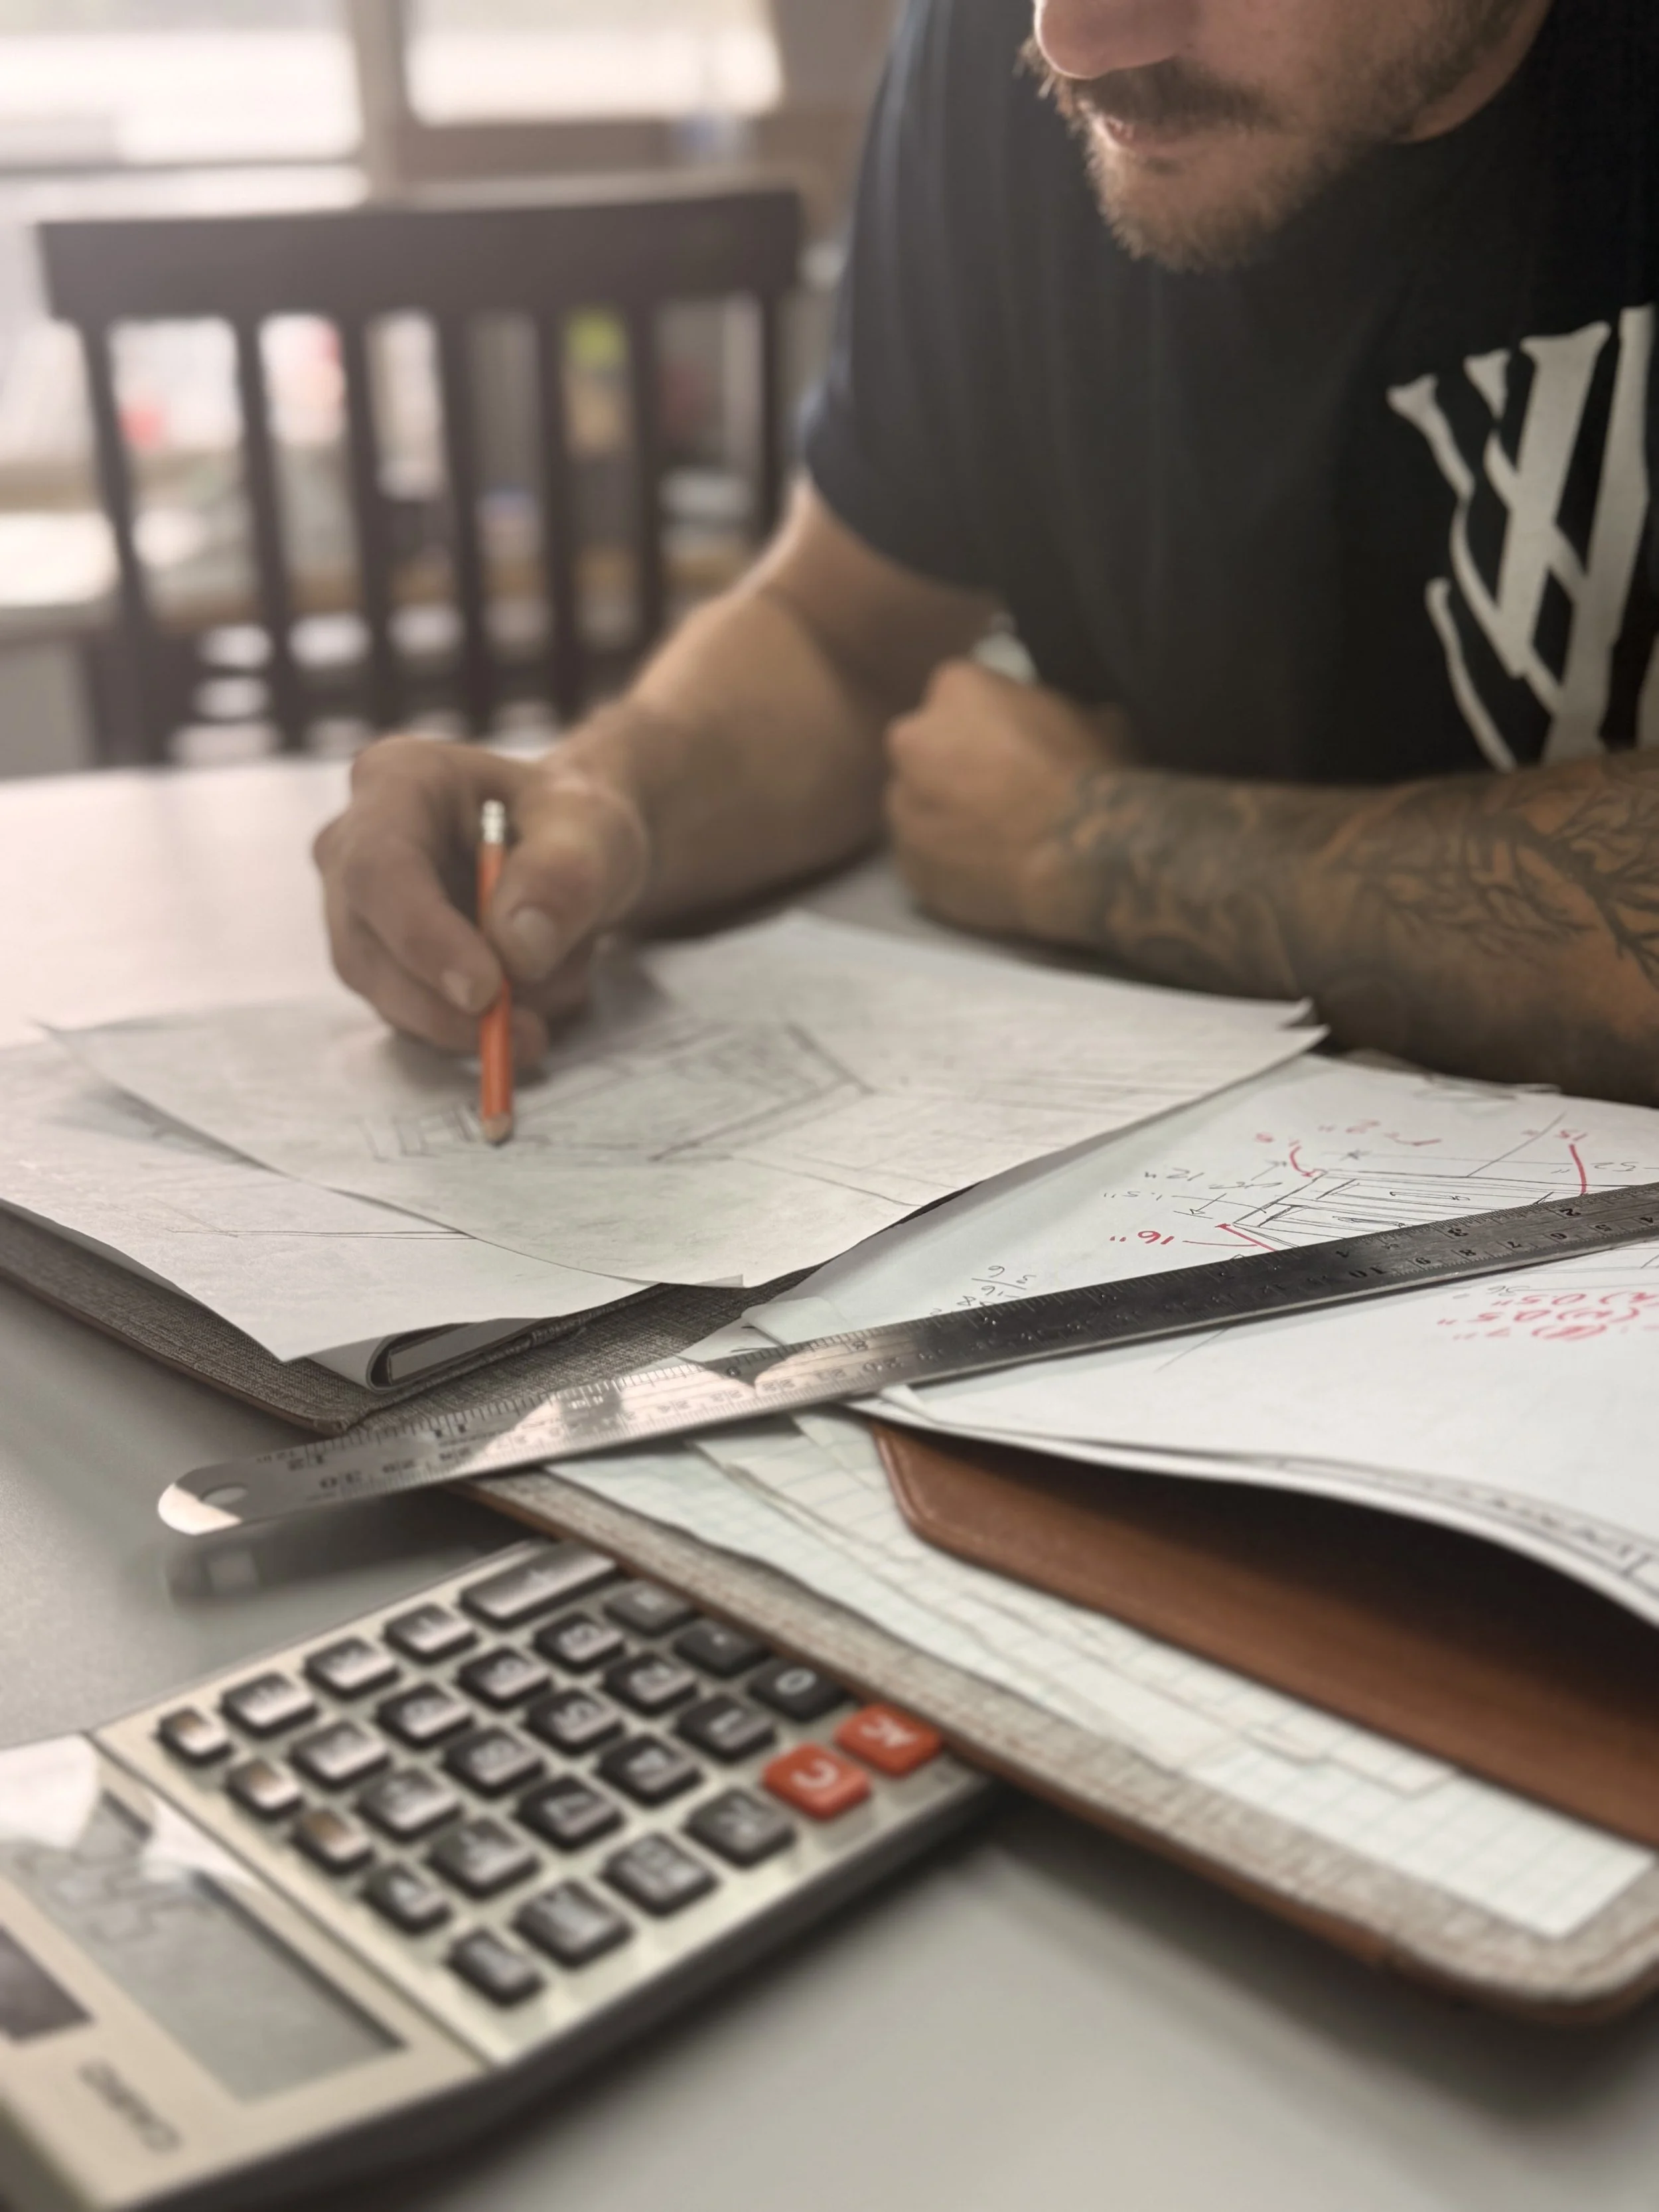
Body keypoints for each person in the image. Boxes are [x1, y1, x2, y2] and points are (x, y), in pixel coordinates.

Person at [315, 0, 1659, 1102]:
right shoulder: (987, 54)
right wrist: (600, 800)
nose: (1069, 42)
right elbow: (845, 638)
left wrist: (1093, 846)